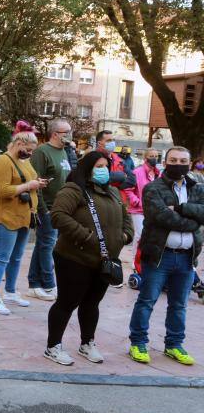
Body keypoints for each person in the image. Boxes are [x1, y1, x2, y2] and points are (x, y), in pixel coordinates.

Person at [44, 151, 133, 365]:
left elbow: (126, 216)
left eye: (105, 166)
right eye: (98, 166)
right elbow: (58, 216)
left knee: (92, 303)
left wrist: (125, 236)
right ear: (87, 168)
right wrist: (87, 237)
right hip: (74, 257)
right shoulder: (74, 189)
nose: (103, 170)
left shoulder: (112, 192)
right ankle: (53, 346)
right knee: (67, 302)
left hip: (103, 260)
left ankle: (87, 343)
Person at [128, 146, 204, 366]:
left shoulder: (197, 188)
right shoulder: (153, 188)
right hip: (159, 256)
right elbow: (159, 216)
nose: (177, 164)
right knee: (146, 301)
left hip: (187, 257)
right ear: (165, 161)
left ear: (189, 164)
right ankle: (138, 342)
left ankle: (174, 344)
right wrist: (193, 219)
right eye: (173, 159)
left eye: (182, 160)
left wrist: (179, 208)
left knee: (179, 305)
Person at [0, 121, 47, 315]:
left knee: (16, 257)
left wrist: (37, 183)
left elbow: (28, 180)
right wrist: (28, 186)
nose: (30, 154)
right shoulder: (3, 161)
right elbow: (2, 190)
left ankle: (11, 291)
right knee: (2, 258)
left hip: (25, 215)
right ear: (19, 143)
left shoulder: (24, 161)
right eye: (28, 150)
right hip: (6, 216)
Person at [26, 119, 73, 301]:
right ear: (55, 134)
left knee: (43, 244)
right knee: (48, 245)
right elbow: (36, 181)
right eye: (66, 132)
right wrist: (43, 209)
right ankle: (48, 283)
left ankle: (34, 283)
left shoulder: (64, 152)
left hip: (61, 208)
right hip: (47, 207)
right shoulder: (42, 152)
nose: (70, 135)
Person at [123, 148, 160, 257]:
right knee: (139, 235)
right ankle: (135, 259)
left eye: (156, 156)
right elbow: (128, 189)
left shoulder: (158, 174)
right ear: (145, 158)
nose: (154, 158)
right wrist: (137, 201)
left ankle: (146, 258)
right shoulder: (137, 172)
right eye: (151, 156)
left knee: (151, 235)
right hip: (138, 209)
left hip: (152, 209)